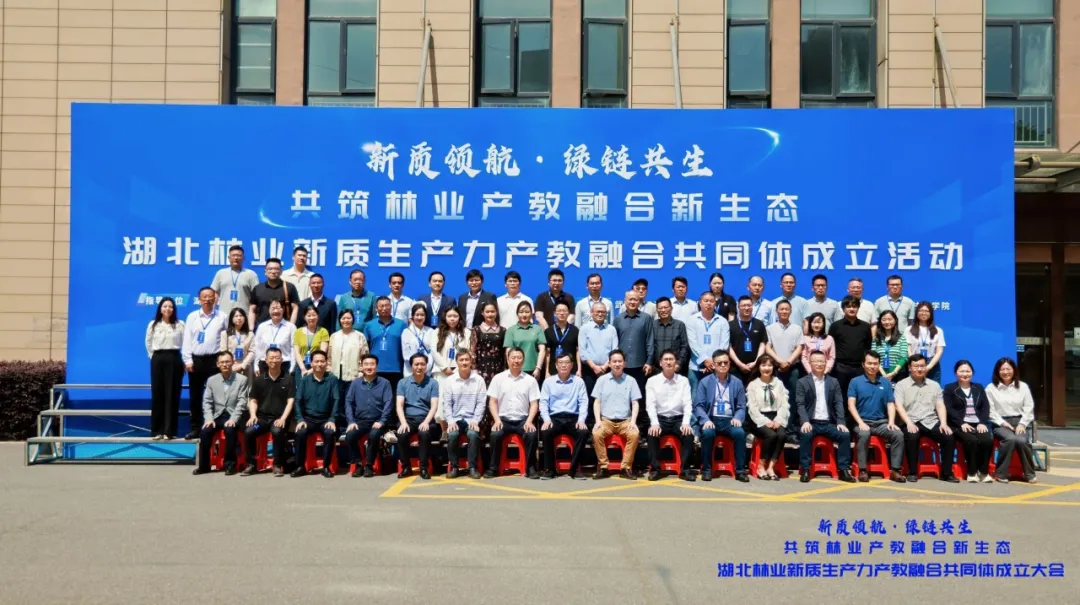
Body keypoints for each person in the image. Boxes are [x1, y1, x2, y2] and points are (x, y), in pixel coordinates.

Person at [893, 354, 958, 483]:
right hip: (911, 420)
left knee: (948, 436)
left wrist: (943, 423)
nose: (919, 369)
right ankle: (912, 472)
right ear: (910, 367)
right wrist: (909, 423)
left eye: (922, 366)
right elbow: (898, 406)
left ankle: (946, 473)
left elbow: (940, 405)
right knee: (912, 437)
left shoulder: (934, 385)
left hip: (931, 421)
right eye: (916, 366)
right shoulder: (901, 385)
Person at [795, 350, 856, 483]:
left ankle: (844, 470)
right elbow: (800, 404)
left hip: (828, 423)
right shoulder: (802, 382)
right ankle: (806, 469)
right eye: (816, 361)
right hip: (811, 422)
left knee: (845, 435)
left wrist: (841, 422)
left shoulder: (833, 382)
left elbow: (838, 403)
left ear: (826, 362)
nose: (819, 364)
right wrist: (805, 421)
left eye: (822, 361)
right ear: (810, 363)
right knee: (805, 434)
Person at [847, 351, 905, 483]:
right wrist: (860, 422)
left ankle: (895, 470)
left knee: (898, 434)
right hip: (862, 422)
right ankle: (862, 470)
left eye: (875, 364)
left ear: (879, 365)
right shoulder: (855, 382)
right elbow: (851, 405)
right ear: (863, 364)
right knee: (864, 434)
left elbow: (890, 404)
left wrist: (891, 422)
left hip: (881, 423)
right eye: (869, 363)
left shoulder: (885, 383)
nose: (872, 366)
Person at [693, 350, 749, 483]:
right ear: (713, 365)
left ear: (729, 364)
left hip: (730, 420)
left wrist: (737, 417)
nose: (723, 365)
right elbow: (698, 406)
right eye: (719, 363)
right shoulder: (705, 382)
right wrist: (705, 420)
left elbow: (741, 406)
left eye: (726, 362)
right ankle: (706, 470)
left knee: (740, 433)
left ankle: (740, 471)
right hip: (711, 418)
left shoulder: (737, 382)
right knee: (707, 434)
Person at [485, 347, 541, 479]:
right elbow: (492, 402)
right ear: (508, 359)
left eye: (519, 358)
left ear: (523, 360)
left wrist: (529, 421)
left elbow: (534, 404)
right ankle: (493, 468)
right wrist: (497, 420)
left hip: (523, 420)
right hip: (503, 419)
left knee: (531, 434)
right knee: (495, 434)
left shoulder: (530, 380)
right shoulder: (498, 378)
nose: (516, 361)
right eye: (513, 358)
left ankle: (531, 468)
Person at [192, 351, 250, 476]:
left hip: (235, 415)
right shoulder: (211, 380)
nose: (225, 364)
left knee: (230, 429)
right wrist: (209, 418)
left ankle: (230, 465)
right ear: (217, 364)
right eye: (222, 362)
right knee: (205, 432)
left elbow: (242, 402)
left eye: (227, 362)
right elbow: (207, 402)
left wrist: (233, 419)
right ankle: (204, 466)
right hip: (217, 416)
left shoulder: (242, 380)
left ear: (233, 362)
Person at [182, 286, 228, 439]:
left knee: (216, 397)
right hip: (196, 361)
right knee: (195, 396)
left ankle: (214, 429)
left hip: (215, 361)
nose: (207, 299)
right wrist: (188, 360)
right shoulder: (192, 317)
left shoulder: (222, 316)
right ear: (199, 299)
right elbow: (187, 339)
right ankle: (196, 428)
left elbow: (227, 338)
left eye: (210, 296)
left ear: (215, 298)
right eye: (204, 297)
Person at [242, 347, 294, 477]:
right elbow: (253, 399)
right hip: (262, 420)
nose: (274, 360)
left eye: (277, 358)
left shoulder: (288, 379)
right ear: (266, 360)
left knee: (277, 431)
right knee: (249, 431)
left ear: (282, 360)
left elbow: (290, 401)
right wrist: (253, 415)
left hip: (278, 419)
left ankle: (277, 465)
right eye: (271, 358)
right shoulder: (259, 380)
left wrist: (283, 418)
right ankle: (251, 464)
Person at [644, 349, 694, 482]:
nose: (668, 362)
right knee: (652, 434)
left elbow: (687, 404)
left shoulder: (683, 381)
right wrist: (654, 423)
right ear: (660, 363)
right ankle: (655, 470)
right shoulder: (652, 381)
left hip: (678, 419)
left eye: (671, 359)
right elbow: (650, 405)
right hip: (660, 419)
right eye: (665, 360)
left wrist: (686, 423)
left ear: (676, 362)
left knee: (688, 435)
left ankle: (685, 470)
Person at [591, 349, 641, 480]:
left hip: (625, 421)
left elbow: (635, 403)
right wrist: (598, 421)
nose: (617, 364)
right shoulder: (602, 380)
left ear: (624, 363)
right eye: (614, 361)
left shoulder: (631, 380)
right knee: (596, 434)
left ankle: (626, 467)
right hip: (606, 421)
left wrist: (633, 422)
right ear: (609, 363)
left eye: (620, 361)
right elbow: (597, 402)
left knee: (634, 434)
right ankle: (603, 467)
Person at [538, 353, 590, 480]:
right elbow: (543, 403)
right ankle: (550, 469)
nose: (563, 365)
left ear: (572, 365)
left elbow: (583, 402)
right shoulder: (548, 382)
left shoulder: (579, 382)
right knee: (546, 431)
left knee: (583, 432)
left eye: (566, 362)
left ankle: (574, 469)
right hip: (554, 418)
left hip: (573, 418)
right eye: (560, 362)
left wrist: (581, 420)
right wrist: (546, 419)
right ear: (556, 365)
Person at [986, 357, 1037, 483]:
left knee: (1021, 440)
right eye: (1002, 369)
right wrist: (1003, 423)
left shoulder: (1023, 387)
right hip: (1000, 423)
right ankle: (1001, 473)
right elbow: (990, 411)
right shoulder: (990, 388)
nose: (1005, 372)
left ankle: (1029, 474)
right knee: (1010, 439)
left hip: (1020, 421)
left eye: (1008, 369)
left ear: (1014, 370)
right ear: (997, 371)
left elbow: (1029, 407)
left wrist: (1022, 424)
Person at [942, 360, 994, 483]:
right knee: (972, 440)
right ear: (956, 373)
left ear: (972, 373)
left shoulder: (978, 387)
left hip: (977, 423)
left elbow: (985, 407)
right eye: (962, 371)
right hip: (958, 424)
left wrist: (982, 422)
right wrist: (961, 423)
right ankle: (971, 472)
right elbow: (949, 408)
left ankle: (983, 472)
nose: (965, 374)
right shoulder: (950, 388)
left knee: (987, 440)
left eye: (968, 371)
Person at [291, 350, 341, 478]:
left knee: (330, 433)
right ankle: (300, 466)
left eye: (322, 361)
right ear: (311, 363)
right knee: (300, 433)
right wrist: (300, 419)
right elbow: (297, 401)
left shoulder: (332, 379)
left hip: (326, 419)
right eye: (316, 361)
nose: (319, 364)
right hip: (308, 419)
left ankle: (326, 467)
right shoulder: (305, 380)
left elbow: (337, 400)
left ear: (326, 363)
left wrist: (332, 419)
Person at [343, 354, 394, 478]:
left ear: (377, 366)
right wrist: (351, 421)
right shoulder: (355, 383)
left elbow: (388, 403)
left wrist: (382, 421)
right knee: (350, 435)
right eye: (366, 364)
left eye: (372, 364)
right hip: (360, 421)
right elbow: (348, 402)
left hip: (378, 421)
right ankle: (358, 463)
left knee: (374, 435)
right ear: (361, 366)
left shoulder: (384, 383)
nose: (369, 367)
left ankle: (369, 465)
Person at [442, 350, 487, 479]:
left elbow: (481, 403)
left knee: (473, 434)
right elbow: (447, 404)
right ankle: (454, 467)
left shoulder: (479, 380)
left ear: (471, 361)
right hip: (455, 418)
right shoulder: (450, 381)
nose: (464, 362)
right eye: (461, 360)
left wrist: (475, 420)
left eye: (467, 360)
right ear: (457, 362)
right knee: (453, 435)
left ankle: (472, 468)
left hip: (471, 419)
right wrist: (450, 421)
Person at [395, 353, 440, 480]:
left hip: (426, 418)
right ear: (411, 366)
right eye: (416, 364)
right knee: (402, 435)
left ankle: (423, 467)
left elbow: (434, 406)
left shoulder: (433, 383)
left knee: (424, 434)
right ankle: (406, 467)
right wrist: (403, 423)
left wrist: (426, 422)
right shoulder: (403, 382)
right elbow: (399, 405)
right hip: (408, 419)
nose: (419, 367)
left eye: (422, 364)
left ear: (426, 366)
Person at [145, 297, 184, 440]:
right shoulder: (153, 324)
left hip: (174, 358)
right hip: (158, 359)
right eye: (165, 306)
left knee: (172, 394)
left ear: (174, 309)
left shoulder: (180, 324)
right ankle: (157, 431)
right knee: (158, 393)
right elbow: (148, 342)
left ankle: (169, 431)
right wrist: (154, 357)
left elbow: (185, 342)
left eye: (170, 306)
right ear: (160, 308)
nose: (168, 309)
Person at [744, 354, 788, 480]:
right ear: (758, 367)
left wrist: (779, 419)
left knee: (782, 435)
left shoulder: (778, 383)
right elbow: (752, 408)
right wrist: (764, 421)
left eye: (769, 365)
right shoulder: (753, 385)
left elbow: (784, 404)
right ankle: (761, 465)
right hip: (758, 418)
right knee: (771, 435)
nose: (766, 368)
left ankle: (771, 467)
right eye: (763, 365)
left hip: (776, 416)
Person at [765, 299, 804, 439]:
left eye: (787, 309)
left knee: (792, 399)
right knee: (774, 398)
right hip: (776, 369)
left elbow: (800, 347)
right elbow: (768, 347)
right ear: (777, 311)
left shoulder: (797, 328)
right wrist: (780, 361)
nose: (784, 311)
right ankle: (775, 428)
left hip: (793, 368)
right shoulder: (770, 328)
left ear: (791, 311)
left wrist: (788, 362)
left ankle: (790, 431)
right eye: (781, 309)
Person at [432, 306, 470, 437]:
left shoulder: (466, 332)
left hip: (461, 372)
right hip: (442, 372)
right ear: (445, 318)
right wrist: (444, 367)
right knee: (443, 400)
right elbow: (434, 351)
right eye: (449, 316)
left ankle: (460, 430)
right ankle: (444, 430)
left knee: (459, 400)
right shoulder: (437, 332)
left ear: (459, 317)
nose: (452, 319)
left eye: (455, 316)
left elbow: (468, 351)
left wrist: (459, 369)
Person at [614, 289, 655, 409]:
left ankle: (639, 419)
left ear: (639, 301)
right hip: (622, 365)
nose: (632, 302)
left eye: (635, 300)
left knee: (639, 395)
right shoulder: (618, 319)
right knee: (622, 394)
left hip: (640, 365)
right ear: (625, 301)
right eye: (630, 299)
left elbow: (650, 340)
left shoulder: (646, 318)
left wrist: (649, 361)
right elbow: (614, 342)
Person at [687, 291, 730, 393]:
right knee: (695, 398)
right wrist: (705, 360)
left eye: (711, 301)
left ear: (715, 303)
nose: (709, 303)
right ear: (700, 303)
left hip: (717, 367)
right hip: (696, 367)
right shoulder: (692, 320)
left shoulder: (722, 321)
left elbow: (724, 344)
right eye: (706, 301)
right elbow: (693, 343)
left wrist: (714, 362)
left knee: (716, 397)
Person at [829, 296, 872, 397]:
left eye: (854, 306)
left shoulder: (865, 326)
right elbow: (831, 345)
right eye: (848, 307)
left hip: (859, 368)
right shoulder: (836, 326)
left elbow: (868, 345)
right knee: (840, 395)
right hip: (840, 367)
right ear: (843, 309)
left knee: (859, 395)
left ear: (858, 308)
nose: (852, 309)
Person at [362, 296, 407, 392]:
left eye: (387, 305)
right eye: (381, 306)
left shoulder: (401, 324)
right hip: (375, 368)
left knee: (393, 397)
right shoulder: (369, 325)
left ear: (391, 307)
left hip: (396, 369)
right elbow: (366, 348)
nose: (384, 308)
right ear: (376, 309)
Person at [327, 309, 369, 405]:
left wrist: (361, 372)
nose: (346, 320)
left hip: (353, 375)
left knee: (350, 402)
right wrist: (329, 370)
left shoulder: (360, 336)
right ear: (339, 320)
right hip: (336, 375)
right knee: (337, 402)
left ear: (353, 319)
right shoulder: (334, 336)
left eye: (349, 318)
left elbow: (365, 357)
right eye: (343, 318)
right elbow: (329, 357)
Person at [579, 301, 619, 396]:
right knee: (590, 398)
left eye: (603, 312)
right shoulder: (584, 328)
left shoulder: (611, 329)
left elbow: (615, 350)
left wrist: (605, 366)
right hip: (589, 370)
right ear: (591, 313)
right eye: (597, 312)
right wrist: (594, 367)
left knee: (607, 397)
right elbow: (582, 350)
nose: (600, 314)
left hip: (607, 370)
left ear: (606, 313)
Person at [728, 295, 768, 385]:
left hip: (755, 368)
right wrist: (740, 364)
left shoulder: (759, 324)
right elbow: (728, 346)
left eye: (749, 305)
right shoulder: (731, 325)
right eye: (743, 305)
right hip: (735, 368)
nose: (746, 308)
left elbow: (762, 344)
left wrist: (756, 362)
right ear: (738, 307)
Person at [211, 245, 260, 317]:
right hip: (223, 315)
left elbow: (256, 296)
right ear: (229, 258)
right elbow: (215, 294)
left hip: (243, 316)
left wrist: (253, 315)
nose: (236, 258)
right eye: (233, 255)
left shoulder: (251, 274)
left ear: (243, 258)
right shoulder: (221, 273)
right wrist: (211, 311)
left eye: (239, 255)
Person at [249, 257, 299, 326]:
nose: (273, 272)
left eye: (276, 269)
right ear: (265, 272)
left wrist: (291, 327)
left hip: (283, 328)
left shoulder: (289, 287)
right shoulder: (257, 288)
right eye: (270, 269)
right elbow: (252, 310)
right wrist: (251, 329)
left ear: (281, 272)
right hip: (262, 328)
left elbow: (295, 308)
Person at [503, 300, 546, 381]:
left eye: (527, 312)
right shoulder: (511, 330)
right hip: (515, 369)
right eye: (521, 312)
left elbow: (542, 350)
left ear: (531, 314)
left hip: (533, 371)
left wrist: (538, 368)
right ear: (517, 314)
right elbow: (508, 351)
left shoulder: (538, 329)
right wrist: (510, 368)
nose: (524, 314)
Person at [252, 299, 296, 376]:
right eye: (273, 308)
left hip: (284, 364)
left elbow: (293, 348)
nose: (275, 311)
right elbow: (257, 347)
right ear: (269, 310)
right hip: (264, 364)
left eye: (278, 308)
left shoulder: (291, 327)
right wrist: (256, 365)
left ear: (283, 309)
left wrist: (292, 366)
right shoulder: (262, 327)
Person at [906, 301, 946, 383]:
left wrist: (928, 367)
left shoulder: (938, 330)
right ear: (917, 312)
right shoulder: (908, 329)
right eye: (921, 310)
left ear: (931, 313)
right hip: (915, 363)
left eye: (927, 311)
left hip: (932, 364)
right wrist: (915, 364)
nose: (923, 313)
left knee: (933, 389)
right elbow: (908, 349)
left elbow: (939, 351)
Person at [653, 297, 691, 379]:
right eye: (660, 308)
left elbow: (684, 346)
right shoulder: (652, 325)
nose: (663, 310)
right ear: (657, 310)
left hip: (675, 369)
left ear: (671, 308)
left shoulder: (679, 325)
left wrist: (679, 364)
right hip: (656, 370)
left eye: (666, 307)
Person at [470, 301, 506, 384]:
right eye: (487, 312)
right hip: (481, 369)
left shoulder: (503, 330)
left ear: (496, 312)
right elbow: (472, 351)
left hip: (498, 369)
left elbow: (504, 352)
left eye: (492, 311)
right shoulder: (476, 330)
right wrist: (474, 369)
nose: (490, 314)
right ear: (482, 313)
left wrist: (505, 368)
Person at [292, 305, 330, 379]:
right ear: (304, 317)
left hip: (317, 366)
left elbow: (322, 353)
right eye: (309, 315)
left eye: (314, 315)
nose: (311, 318)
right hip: (301, 366)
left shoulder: (323, 331)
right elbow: (297, 353)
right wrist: (303, 369)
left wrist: (312, 370)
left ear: (318, 316)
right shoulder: (298, 332)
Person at [543, 302, 580, 377]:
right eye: (559, 311)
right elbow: (547, 353)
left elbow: (578, 351)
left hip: (572, 370)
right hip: (553, 370)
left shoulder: (575, 330)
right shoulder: (548, 331)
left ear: (568, 313)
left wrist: (579, 370)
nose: (562, 313)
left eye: (564, 311)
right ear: (554, 313)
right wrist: (547, 371)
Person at [871, 310, 909, 382]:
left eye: (890, 319)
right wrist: (883, 374)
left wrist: (893, 373)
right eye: (884, 320)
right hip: (880, 374)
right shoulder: (876, 339)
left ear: (895, 321)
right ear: (880, 322)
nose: (887, 322)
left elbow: (904, 357)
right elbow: (874, 357)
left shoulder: (901, 338)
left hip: (898, 374)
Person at [401, 303, 436, 375]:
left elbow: (432, 352)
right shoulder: (406, 332)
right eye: (417, 315)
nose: (419, 317)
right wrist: (416, 367)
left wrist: (425, 367)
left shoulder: (431, 331)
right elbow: (406, 354)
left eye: (422, 315)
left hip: (427, 371)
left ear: (425, 316)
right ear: (412, 316)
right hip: (410, 371)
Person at [220, 308, 255, 379]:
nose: (239, 318)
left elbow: (252, 352)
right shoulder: (225, 334)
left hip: (246, 368)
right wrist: (231, 366)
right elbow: (224, 352)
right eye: (236, 316)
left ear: (245, 318)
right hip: (230, 368)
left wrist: (242, 365)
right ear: (231, 319)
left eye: (241, 316)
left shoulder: (250, 334)